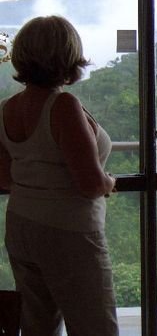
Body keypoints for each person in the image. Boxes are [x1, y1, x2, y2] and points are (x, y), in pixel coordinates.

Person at [0, 16, 118, 335]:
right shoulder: (63, 105)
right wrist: (110, 182)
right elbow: (91, 184)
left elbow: (4, 178)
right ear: (67, 56)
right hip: (69, 231)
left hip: (21, 225)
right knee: (95, 325)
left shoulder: (6, 109)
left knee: (38, 325)